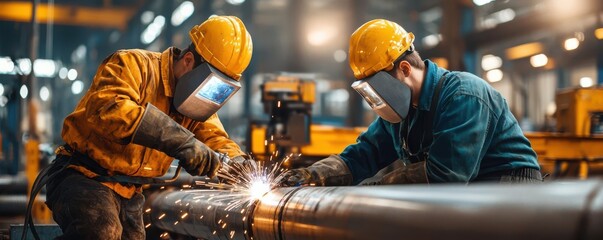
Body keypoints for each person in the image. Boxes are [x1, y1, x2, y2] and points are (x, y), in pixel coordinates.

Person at [42, 16, 253, 239]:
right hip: (80, 176)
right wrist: (182, 142)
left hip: (129, 191)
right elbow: (111, 109)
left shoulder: (197, 104)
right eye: (212, 85)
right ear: (188, 61)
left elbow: (215, 139)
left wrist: (240, 166)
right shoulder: (133, 65)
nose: (211, 96)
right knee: (103, 232)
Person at [283, 19, 542, 187]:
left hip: (510, 188)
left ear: (405, 69)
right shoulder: (402, 114)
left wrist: (377, 187)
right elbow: (365, 154)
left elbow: (446, 177)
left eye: (377, 86)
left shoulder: (462, 95)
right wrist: (312, 175)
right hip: (472, 192)